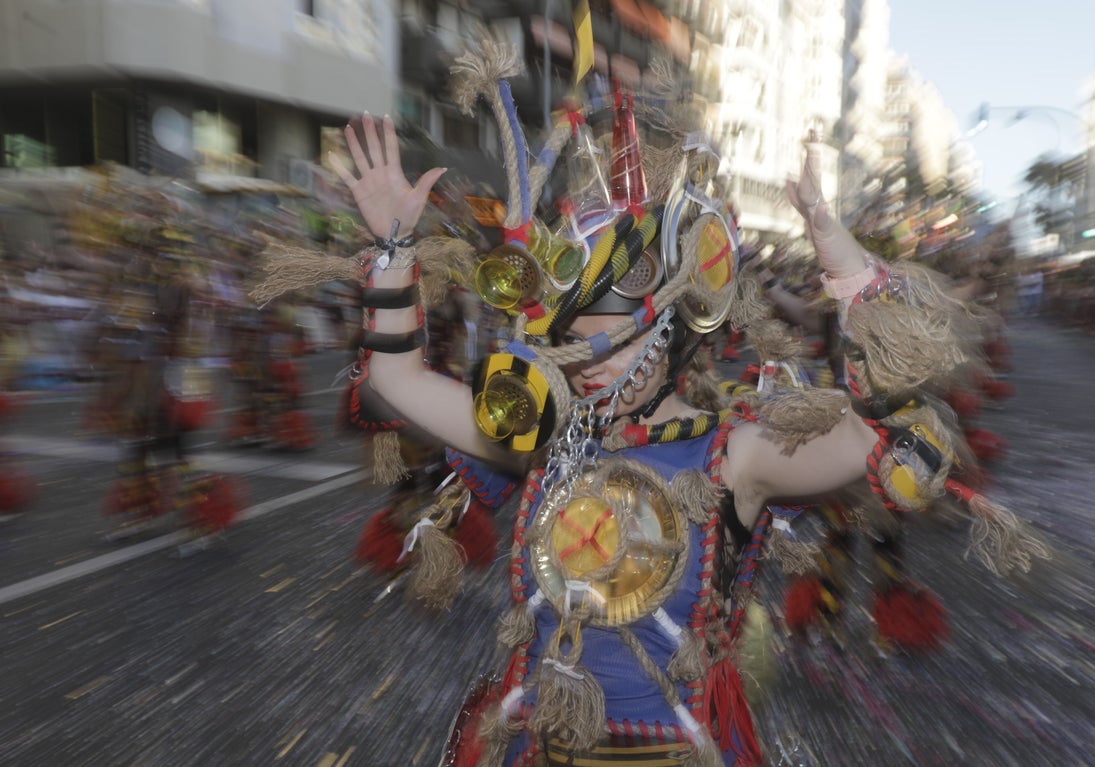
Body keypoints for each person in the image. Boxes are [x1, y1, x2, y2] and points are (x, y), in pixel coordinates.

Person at [256, 37, 1046, 767]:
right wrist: (393, 252)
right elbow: (395, 382)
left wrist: (839, 253)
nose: (582, 359)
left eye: (606, 335)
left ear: (670, 331)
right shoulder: (548, 438)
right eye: (566, 333)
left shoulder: (737, 454)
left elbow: (903, 442)